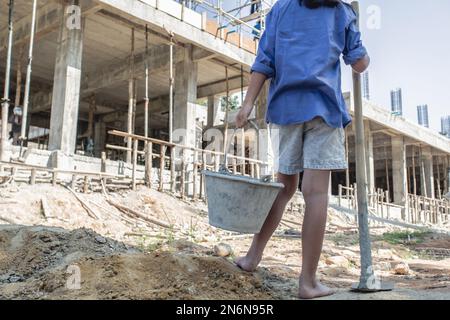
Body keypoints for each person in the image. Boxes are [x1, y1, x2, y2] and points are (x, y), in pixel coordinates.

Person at [234, 0, 370, 299]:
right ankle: (308, 282)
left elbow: (264, 61)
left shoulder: (280, 10)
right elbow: (358, 62)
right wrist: (359, 50)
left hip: (287, 107)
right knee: (316, 193)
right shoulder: (342, 12)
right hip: (325, 108)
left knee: (284, 187)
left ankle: (252, 257)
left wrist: (246, 104)